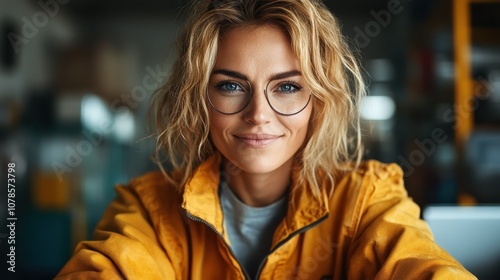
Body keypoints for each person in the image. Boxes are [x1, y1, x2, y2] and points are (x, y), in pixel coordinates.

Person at [56, 0, 476, 279]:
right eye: (231, 87)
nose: (259, 115)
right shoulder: (147, 209)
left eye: (287, 88)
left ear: (318, 99)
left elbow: (419, 265)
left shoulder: (366, 198)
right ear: (199, 98)